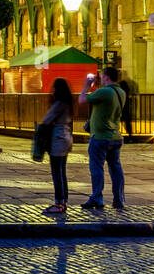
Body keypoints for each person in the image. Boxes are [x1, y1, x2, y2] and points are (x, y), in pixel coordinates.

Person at [78, 66, 127, 210]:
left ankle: (97, 198)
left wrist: (86, 86)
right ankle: (119, 199)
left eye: (101, 76)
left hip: (100, 137)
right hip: (115, 136)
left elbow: (82, 100)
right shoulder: (121, 92)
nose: (100, 78)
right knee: (115, 168)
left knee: (97, 168)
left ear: (106, 77)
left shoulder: (104, 92)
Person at [39, 78, 75, 214]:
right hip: (66, 137)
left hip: (58, 139)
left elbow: (46, 119)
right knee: (62, 172)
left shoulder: (59, 103)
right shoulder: (68, 103)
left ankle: (58, 203)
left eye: (54, 87)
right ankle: (63, 201)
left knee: (57, 173)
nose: (52, 90)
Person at [118, 76, 138, 142]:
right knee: (127, 123)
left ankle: (118, 136)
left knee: (116, 122)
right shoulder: (126, 96)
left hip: (121, 110)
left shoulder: (120, 94)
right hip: (126, 110)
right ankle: (130, 136)